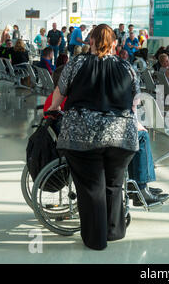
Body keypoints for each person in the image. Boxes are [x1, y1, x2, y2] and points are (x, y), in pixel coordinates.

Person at [48, 24, 140, 250]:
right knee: (114, 183)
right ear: (115, 44)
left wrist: (53, 109)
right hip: (122, 136)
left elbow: (60, 92)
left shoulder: (77, 63)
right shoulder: (127, 67)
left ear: (90, 41)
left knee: (92, 187)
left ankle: (95, 240)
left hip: (83, 135)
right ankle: (114, 231)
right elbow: (136, 100)